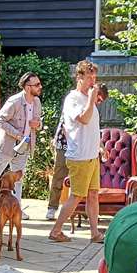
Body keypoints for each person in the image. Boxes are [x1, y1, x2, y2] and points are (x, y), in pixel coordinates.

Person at [48, 60, 103, 244]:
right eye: (89, 77)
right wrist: (92, 98)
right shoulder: (73, 99)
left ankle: (95, 233)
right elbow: (84, 119)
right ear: (79, 77)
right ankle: (56, 230)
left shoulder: (89, 99)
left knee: (93, 194)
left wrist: (100, 146)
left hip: (92, 155)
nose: (92, 82)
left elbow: (92, 127)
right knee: (77, 195)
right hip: (79, 156)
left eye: (94, 77)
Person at [0, 71, 42, 199]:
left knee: (19, 178)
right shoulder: (14, 101)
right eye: (37, 84)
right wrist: (18, 135)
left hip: (24, 147)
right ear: (28, 87)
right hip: (7, 145)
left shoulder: (36, 102)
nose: (40, 87)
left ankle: (17, 207)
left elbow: (38, 123)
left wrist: (38, 125)